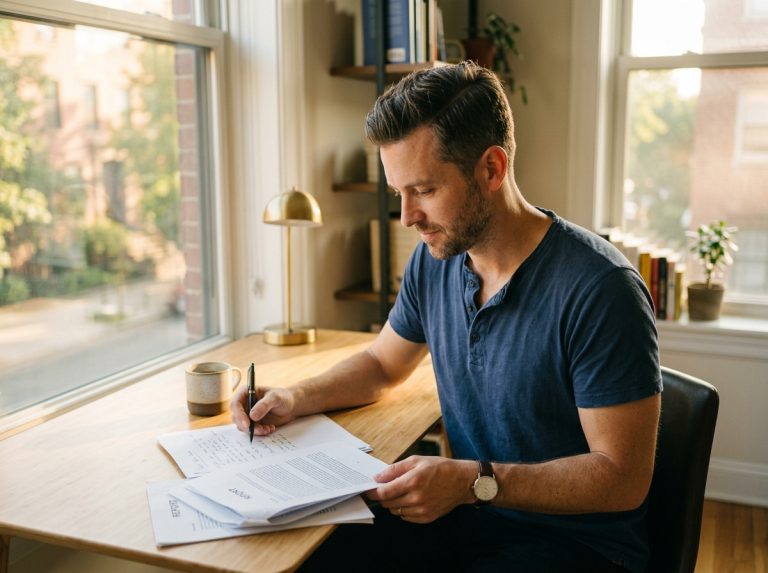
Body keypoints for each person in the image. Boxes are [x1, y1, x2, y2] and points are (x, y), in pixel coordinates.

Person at [231, 61, 661, 573]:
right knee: (312, 556)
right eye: (399, 194)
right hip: (471, 518)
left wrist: (469, 482)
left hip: (577, 547)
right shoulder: (436, 258)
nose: (408, 216)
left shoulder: (600, 289)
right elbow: (382, 364)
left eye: (424, 191)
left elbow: (621, 479)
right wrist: (295, 397)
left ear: (492, 169)